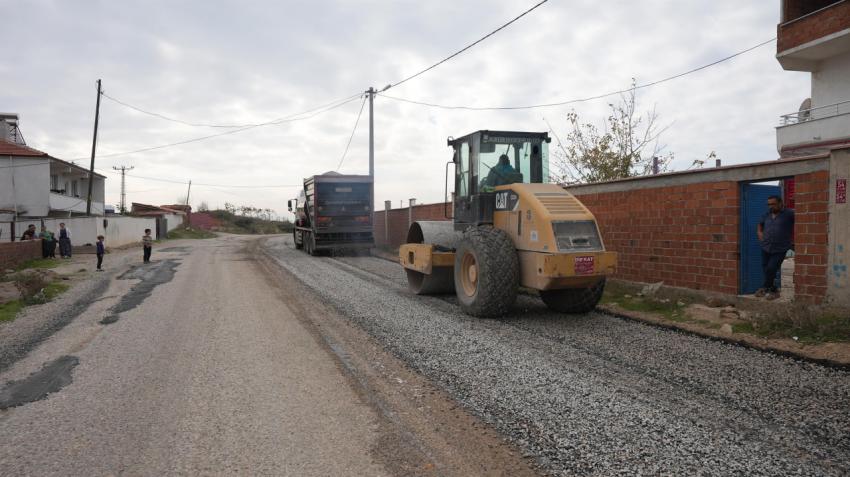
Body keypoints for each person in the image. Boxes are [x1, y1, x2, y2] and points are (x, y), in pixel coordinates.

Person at [756, 195, 795, 300]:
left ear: (780, 203)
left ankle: (765, 287)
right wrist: (760, 234)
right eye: (769, 204)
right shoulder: (767, 215)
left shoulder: (789, 214)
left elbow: (802, 223)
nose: (770, 206)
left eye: (773, 204)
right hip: (766, 246)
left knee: (771, 268)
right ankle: (774, 290)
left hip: (781, 247)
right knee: (766, 270)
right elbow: (760, 225)